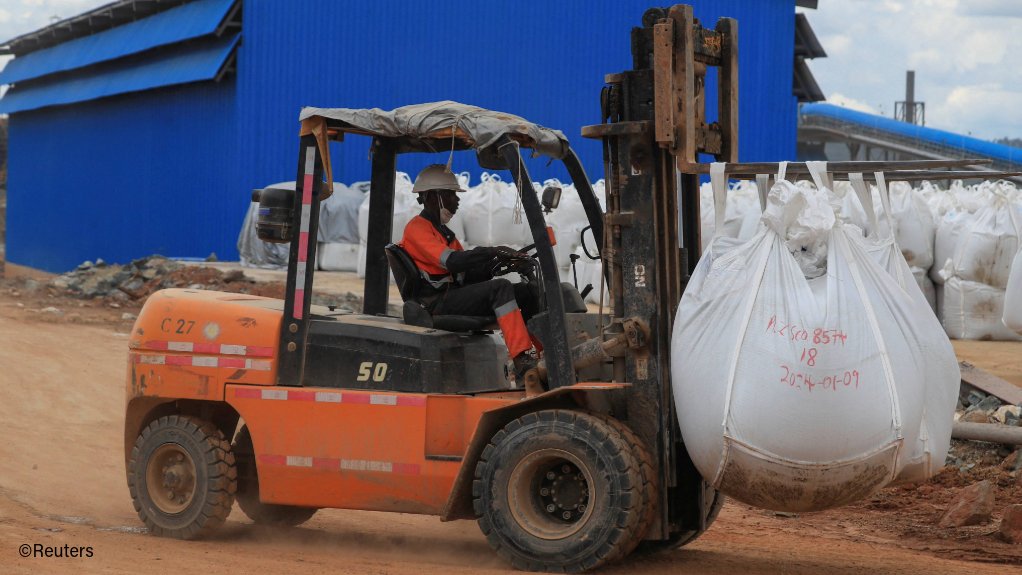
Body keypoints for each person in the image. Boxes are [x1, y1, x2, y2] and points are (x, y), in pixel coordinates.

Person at [399, 164, 542, 388]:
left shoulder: (444, 233)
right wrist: (492, 251)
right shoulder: (418, 229)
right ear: (430, 197)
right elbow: (453, 261)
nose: (456, 201)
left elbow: (466, 273)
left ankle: (545, 353)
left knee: (527, 292)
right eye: (449, 194)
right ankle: (522, 361)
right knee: (500, 288)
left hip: (451, 295)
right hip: (435, 302)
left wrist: (497, 264)